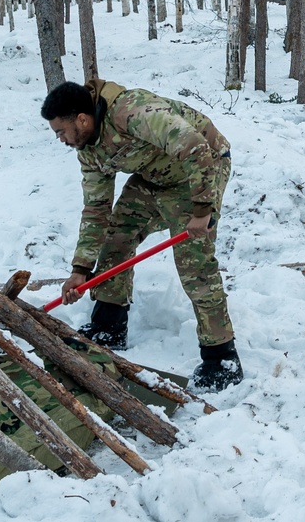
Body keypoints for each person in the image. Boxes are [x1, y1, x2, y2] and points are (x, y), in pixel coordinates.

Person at [40, 80, 243, 392]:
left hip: (201, 167)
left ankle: (221, 358)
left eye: (61, 131)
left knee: (194, 263)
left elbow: (196, 147)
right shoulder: (88, 150)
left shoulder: (133, 112)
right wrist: (80, 269)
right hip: (156, 174)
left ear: (81, 119)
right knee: (116, 236)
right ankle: (109, 325)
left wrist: (202, 209)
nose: (61, 139)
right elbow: (96, 208)